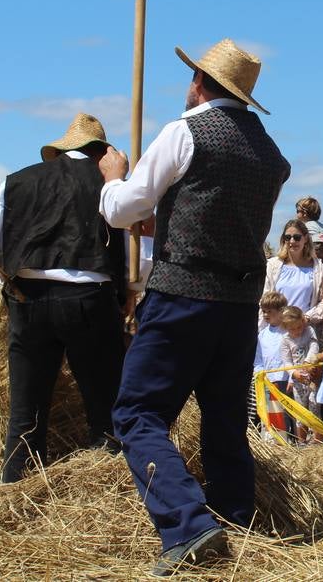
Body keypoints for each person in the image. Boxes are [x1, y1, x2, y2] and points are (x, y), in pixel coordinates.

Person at [100, 38, 288, 576]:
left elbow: (120, 211)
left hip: (182, 295)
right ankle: (235, 520)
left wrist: (114, 177)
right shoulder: (269, 153)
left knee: (137, 412)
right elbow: (224, 217)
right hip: (238, 305)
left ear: (200, 83)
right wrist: (165, 219)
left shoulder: (184, 131)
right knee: (225, 419)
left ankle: (187, 525)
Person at [0, 112, 128, 484]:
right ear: (101, 153)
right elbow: (141, 256)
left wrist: (8, 277)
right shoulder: (112, 185)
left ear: (60, 151)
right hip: (92, 298)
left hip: (29, 298)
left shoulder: (17, 182)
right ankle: (105, 491)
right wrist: (129, 293)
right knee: (104, 407)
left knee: (26, 412)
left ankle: (16, 492)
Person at [280, 306, 321, 443]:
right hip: (298, 381)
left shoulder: (309, 331)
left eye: (299, 327)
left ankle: (317, 439)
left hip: (313, 376)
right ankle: (302, 441)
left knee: (314, 404)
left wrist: (309, 361)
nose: (297, 331)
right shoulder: (285, 340)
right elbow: (286, 362)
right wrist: (294, 373)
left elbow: (315, 345)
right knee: (301, 409)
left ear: (303, 321)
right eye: (292, 329)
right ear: (286, 328)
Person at [263, 219, 323, 314]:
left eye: (297, 237)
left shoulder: (318, 268)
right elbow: (264, 299)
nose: (292, 241)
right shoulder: (273, 265)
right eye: (287, 237)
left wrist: (307, 318)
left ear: (306, 238)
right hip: (277, 326)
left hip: (303, 325)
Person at [253, 291, 289, 433]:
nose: (266, 315)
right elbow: (258, 359)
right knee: (272, 412)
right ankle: (275, 439)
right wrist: (260, 374)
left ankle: (292, 439)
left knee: (287, 412)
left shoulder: (288, 331)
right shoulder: (262, 335)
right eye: (264, 311)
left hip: (286, 379)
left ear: (281, 311)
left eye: (270, 311)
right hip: (268, 381)